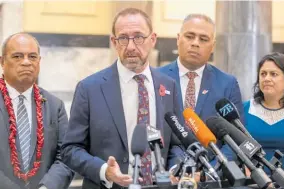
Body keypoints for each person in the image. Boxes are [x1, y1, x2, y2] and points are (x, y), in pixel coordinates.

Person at [61, 8, 184, 189]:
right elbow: (70, 150)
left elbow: (177, 143)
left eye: (139, 37)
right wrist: (104, 170)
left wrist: (174, 169)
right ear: (114, 42)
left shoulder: (169, 86)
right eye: (123, 38)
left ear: (153, 39)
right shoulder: (89, 88)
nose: (131, 46)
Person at [158, 14, 244, 161]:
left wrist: (213, 171)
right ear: (178, 39)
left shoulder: (227, 84)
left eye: (203, 39)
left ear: (213, 46)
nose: (195, 43)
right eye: (189, 36)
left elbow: (235, 138)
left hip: (211, 175)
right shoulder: (156, 78)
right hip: (165, 173)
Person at [0, 33, 74, 189]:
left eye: (32, 57)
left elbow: (67, 156)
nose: (26, 62)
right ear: (2, 61)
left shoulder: (55, 106)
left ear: (39, 62)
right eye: (18, 56)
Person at [244, 52, 284, 177]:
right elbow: (236, 149)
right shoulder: (245, 109)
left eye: (274, 74)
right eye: (263, 74)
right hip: (251, 183)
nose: (267, 78)